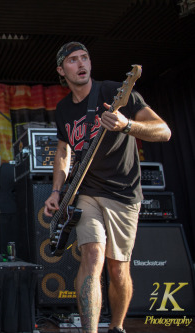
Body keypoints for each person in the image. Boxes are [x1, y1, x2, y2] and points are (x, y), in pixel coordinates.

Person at [43, 42, 171, 333]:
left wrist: (127, 125)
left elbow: (164, 131)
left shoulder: (115, 92)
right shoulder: (63, 109)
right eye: (72, 60)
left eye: (84, 58)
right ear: (62, 70)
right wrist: (55, 190)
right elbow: (64, 152)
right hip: (86, 192)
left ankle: (116, 327)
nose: (80, 64)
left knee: (118, 267)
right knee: (91, 254)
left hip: (122, 193)